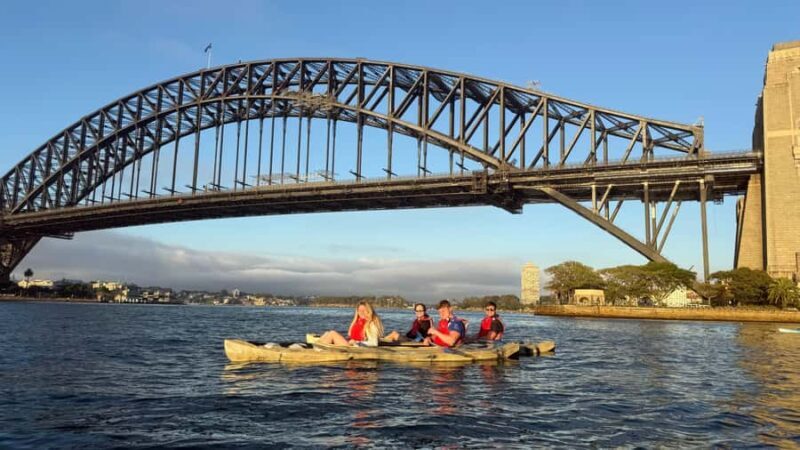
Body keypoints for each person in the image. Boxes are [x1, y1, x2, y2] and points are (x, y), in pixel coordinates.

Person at [317, 301, 384, 347]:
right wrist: (355, 319)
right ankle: (315, 347)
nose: (361, 312)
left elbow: (374, 343)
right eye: (359, 310)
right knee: (327, 333)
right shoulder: (359, 320)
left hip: (353, 347)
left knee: (332, 333)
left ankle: (317, 350)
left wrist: (356, 342)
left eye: (364, 310)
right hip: (350, 344)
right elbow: (349, 334)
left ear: (369, 311)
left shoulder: (371, 324)